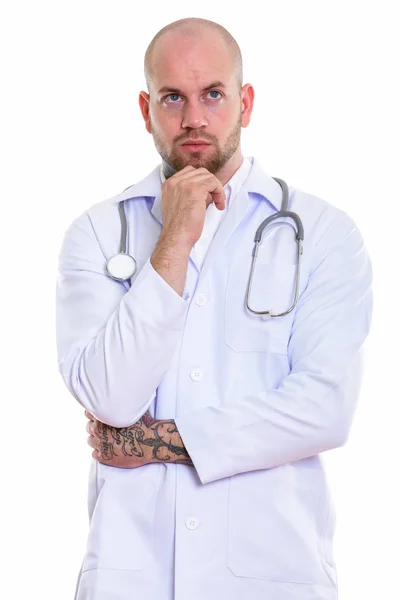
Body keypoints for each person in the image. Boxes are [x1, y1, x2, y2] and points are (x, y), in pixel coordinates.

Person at [55, 16, 373, 600]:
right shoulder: (100, 233)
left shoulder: (323, 233)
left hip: (271, 573)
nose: (194, 118)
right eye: (172, 97)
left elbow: (325, 408)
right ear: (145, 109)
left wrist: (161, 442)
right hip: (133, 576)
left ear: (245, 103)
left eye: (213, 95)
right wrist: (172, 240)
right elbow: (109, 396)